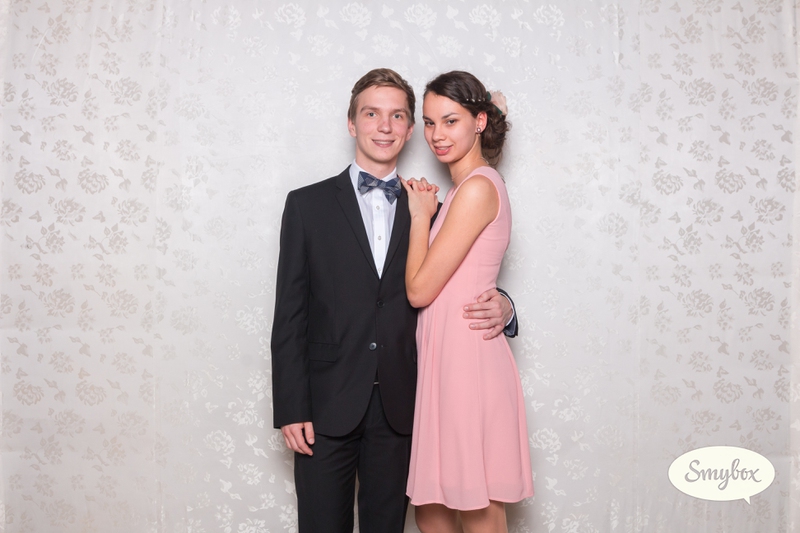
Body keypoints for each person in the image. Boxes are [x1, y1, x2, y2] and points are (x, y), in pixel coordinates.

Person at [270, 68, 518, 533]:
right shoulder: (306, 205)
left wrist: (503, 304)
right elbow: (289, 315)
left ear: (408, 130)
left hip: (405, 405)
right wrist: (291, 406)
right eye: (371, 114)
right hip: (325, 406)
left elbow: (465, 274)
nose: (384, 126)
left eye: (398, 116)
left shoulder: (432, 206)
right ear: (351, 123)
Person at [402, 71, 533, 533]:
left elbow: (419, 291)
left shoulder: (477, 187)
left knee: (478, 510)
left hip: (468, 363)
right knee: (432, 510)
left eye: (451, 121)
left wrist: (420, 217)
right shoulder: (463, 190)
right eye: (430, 122)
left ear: (479, 122)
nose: (437, 135)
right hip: (443, 361)